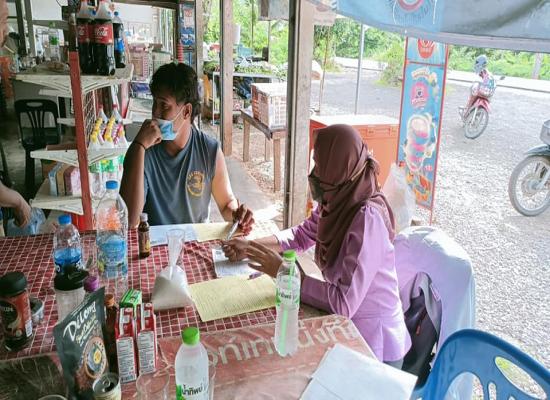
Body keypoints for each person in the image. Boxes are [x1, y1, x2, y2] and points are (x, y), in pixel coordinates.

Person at [223, 125, 411, 367]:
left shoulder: (367, 220)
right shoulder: (338, 198)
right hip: (347, 327)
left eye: (320, 165)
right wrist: (249, 247)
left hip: (375, 342)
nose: (314, 174)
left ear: (339, 169)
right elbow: (302, 235)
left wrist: (283, 273)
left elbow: (343, 303)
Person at [120, 63, 254, 231]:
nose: (155, 113)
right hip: (154, 244)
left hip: (195, 241)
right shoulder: (144, 151)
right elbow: (130, 221)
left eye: (164, 106)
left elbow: (226, 203)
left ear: (186, 111)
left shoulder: (209, 150)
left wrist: (237, 214)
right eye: (154, 103)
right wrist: (138, 146)